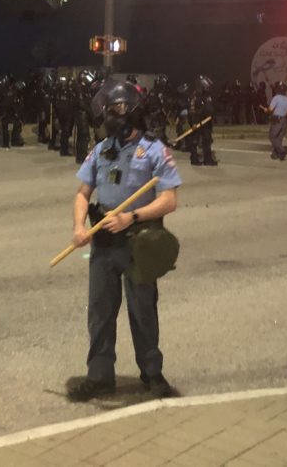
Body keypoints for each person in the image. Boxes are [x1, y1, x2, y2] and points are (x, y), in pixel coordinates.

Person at [67, 81, 181, 402]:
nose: (110, 116)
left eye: (116, 109)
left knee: (142, 310)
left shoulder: (154, 150)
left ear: (131, 111)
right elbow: (82, 193)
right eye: (108, 110)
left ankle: (152, 373)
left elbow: (169, 200)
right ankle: (99, 376)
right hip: (104, 240)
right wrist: (79, 226)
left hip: (137, 240)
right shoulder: (101, 149)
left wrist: (131, 217)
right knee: (100, 311)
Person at [188, 76, 217, 166]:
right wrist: (194, 122)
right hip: (198, 121)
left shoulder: (206, 95)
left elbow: (209, 108)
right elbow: (192, 110)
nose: (208, 87)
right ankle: (194, 159)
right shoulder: (196, 96)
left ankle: (208, 159)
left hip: (206, 122)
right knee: (195, 140)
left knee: (207, 140)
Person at [265, 81, 287, 161]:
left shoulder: (276, 98)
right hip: (285, 120)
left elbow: (270, 109)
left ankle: (281, 150)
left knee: (272, 136)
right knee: (279, 138)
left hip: (277, 119)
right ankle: (275, 154)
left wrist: (267, 110)